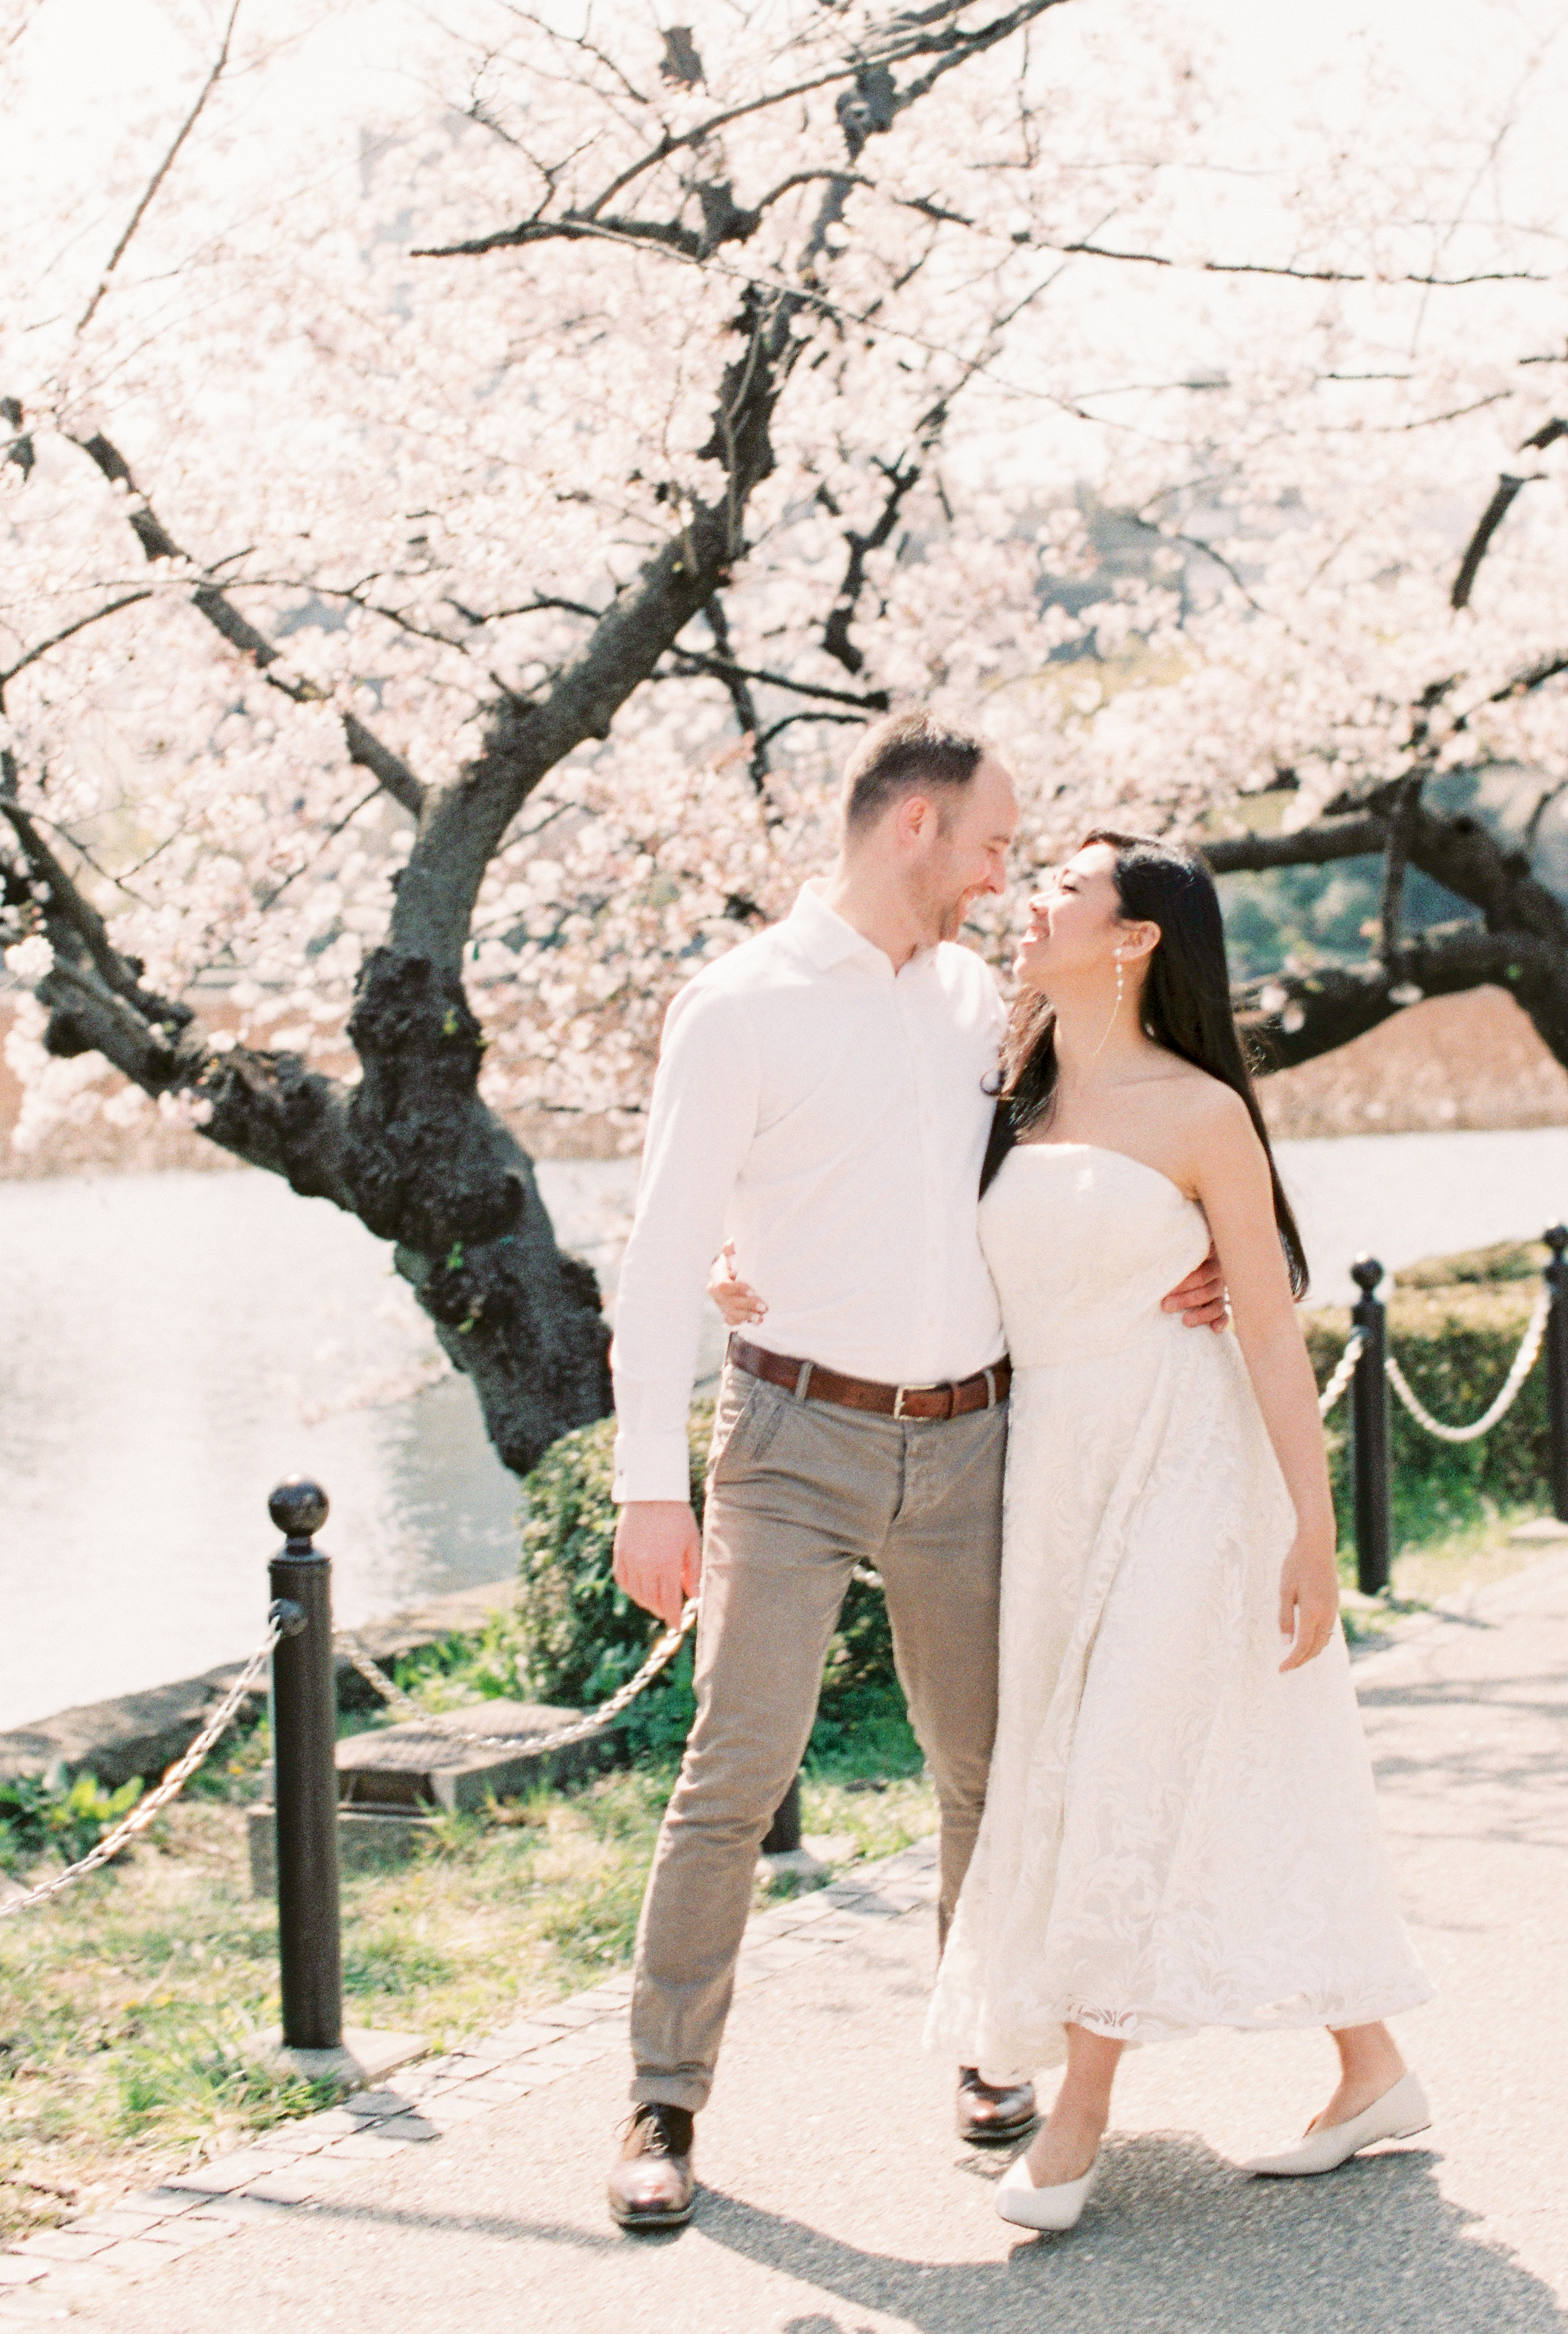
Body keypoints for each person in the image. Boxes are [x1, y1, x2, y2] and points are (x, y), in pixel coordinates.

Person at [605, 717, 1226, 2232]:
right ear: (913, 832)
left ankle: (983, 2044)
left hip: (971, 1438)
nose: (1006, 875)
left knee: (983, 1769)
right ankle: (660, 2098)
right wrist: (645, 1485)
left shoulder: (982, 1003)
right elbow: (663, 1253)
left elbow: (1125, 1119)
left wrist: (1209, 1244)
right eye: (994, 844)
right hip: (791, 1441)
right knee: (735, 1770)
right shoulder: (736, 1006)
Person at [914, 830, 1434, 2233]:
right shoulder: (996, 1100)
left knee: (1121, 1762)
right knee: (1161, 1761)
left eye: (1065, 888)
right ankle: (1370, 2065)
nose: (1032, 900)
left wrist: (1311, 1532)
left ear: (1134, 936)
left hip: (1188, 1465)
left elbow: (1267, 1320)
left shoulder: (1200, 1109)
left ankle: (1077, 2114)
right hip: (1053, 1478)